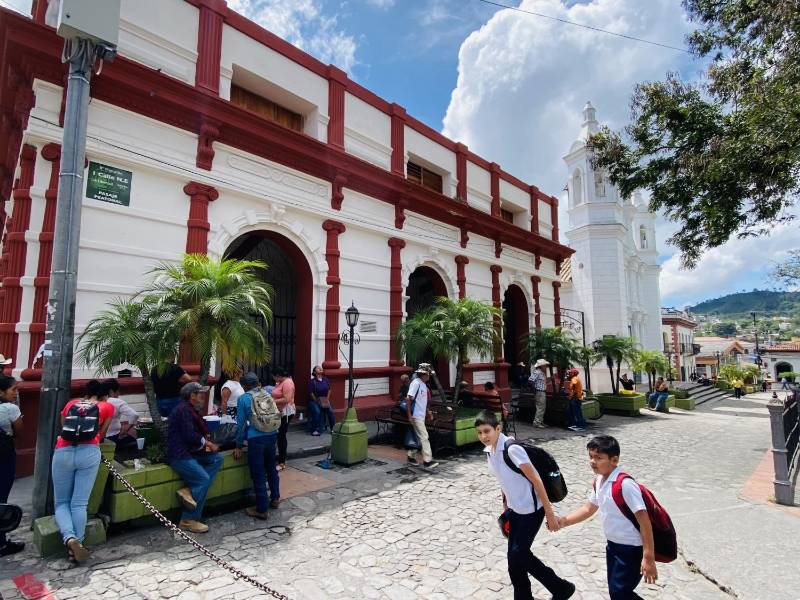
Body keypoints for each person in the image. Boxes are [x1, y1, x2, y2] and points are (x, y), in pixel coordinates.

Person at [474, 410, 576, 600]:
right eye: (479, 432)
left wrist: (550, 514)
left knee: (519, 553)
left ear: (498, 428)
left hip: (531, 510)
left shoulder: (512, 450)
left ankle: (561, 587)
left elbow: (536, 481)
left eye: (487, 431)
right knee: (514, 561)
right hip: (515, 510)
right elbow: (503, 479)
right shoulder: (489, 452)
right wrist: (505, 506)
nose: (483, 436)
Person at [558, 435, 658, 600]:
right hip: (613, 546)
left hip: (631, 549)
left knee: (620, 593)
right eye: (590, 456)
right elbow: (588, 508)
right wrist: (564, 521)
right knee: (616, 592)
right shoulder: (599, 481)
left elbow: (644, 521)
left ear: (614, 460)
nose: (592, 461)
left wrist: (648, 557)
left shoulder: (625, 485)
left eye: (598, 458)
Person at [52, 379, 115, 562]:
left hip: (64, 451)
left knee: (62, 502)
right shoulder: (106, 407)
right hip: (89, 452)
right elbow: (102, 434)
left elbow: (64, 426)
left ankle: (69, 538)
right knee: (79, 504)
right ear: (104, 394)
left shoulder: (71, 403)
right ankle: (78, 544)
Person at [167, 382, 223, 533]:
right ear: (192, 396)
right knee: (203, 479)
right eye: (200, 394)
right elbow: (189, 435)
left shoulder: (188, 409)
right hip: (180, 455)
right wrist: (209, 444)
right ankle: (188, 519)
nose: (203, 397)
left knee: (217, 459)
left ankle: (190, 491)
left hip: (191, 452)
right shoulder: (183, 410)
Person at [233, 373, 284, 519]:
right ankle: (275, 498)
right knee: (271, 467)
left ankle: (262, 509)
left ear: (245, 386)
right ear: (257, 383)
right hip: (272, 434)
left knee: (258, 473)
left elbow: (241, 424)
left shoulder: (243, 398)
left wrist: (238, 444)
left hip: (256, 439)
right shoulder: (266, 393)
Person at [0, 375, 24, 556]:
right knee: (1, 498)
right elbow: (19, 430)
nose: (15, 393)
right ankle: (1, 543)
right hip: (4, 454)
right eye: (13, 390)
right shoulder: (10, 408)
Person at [405, 365, 438, 469]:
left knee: (418, 436)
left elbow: (423, 402)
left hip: (420, 415)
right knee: (424, 437)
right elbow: (408, 399)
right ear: (424, 374)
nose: (429, 376)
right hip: (416, 416)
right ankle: (427, 460)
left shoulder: (423, 385)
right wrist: (410, 416)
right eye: (428, 374)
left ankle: (411, 456)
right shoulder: (416, 383)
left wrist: (427, 413)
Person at [272, 367, 296, 471]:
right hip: (279, 412)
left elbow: (287, 399)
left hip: (285, 413)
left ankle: (282, 462)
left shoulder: (287, 382)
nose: (273, 379)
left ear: (278, 375)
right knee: (278, 435)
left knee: (281, 436)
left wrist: (272, 402)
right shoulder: (280, 382)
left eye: (274, 376)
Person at [103, 379, 139, 448]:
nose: (119, 393)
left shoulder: (98, 401)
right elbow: (134, 415)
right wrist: (127, 428)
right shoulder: (117, 402)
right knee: (136, 443)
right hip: (114, 436)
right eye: (118, 391)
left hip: (100, 438)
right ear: (111, 391)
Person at [308, 366, 334, 436]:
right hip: (314, 401)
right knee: (317, 411)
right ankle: (314, 430)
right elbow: (311, 393)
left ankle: (333, 429)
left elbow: (329, 389)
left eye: (320, 368)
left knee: (330, 411)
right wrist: (317, 401)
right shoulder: (312, 382)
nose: (320, 369)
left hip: (324, 400)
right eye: (318, 368)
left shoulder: (325, 379)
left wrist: (327, 399)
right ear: (314, 372)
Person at [529, 359, 549, 428]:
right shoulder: (537, 372)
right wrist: (534, 389)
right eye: (545, 366)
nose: (546, 367)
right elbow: (531, 380)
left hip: (542, 392)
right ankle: (537, 422)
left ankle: (540, 421)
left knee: (542, 407)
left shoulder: (542, 373)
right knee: (540, 408)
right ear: (541, 366)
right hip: (539, 392)